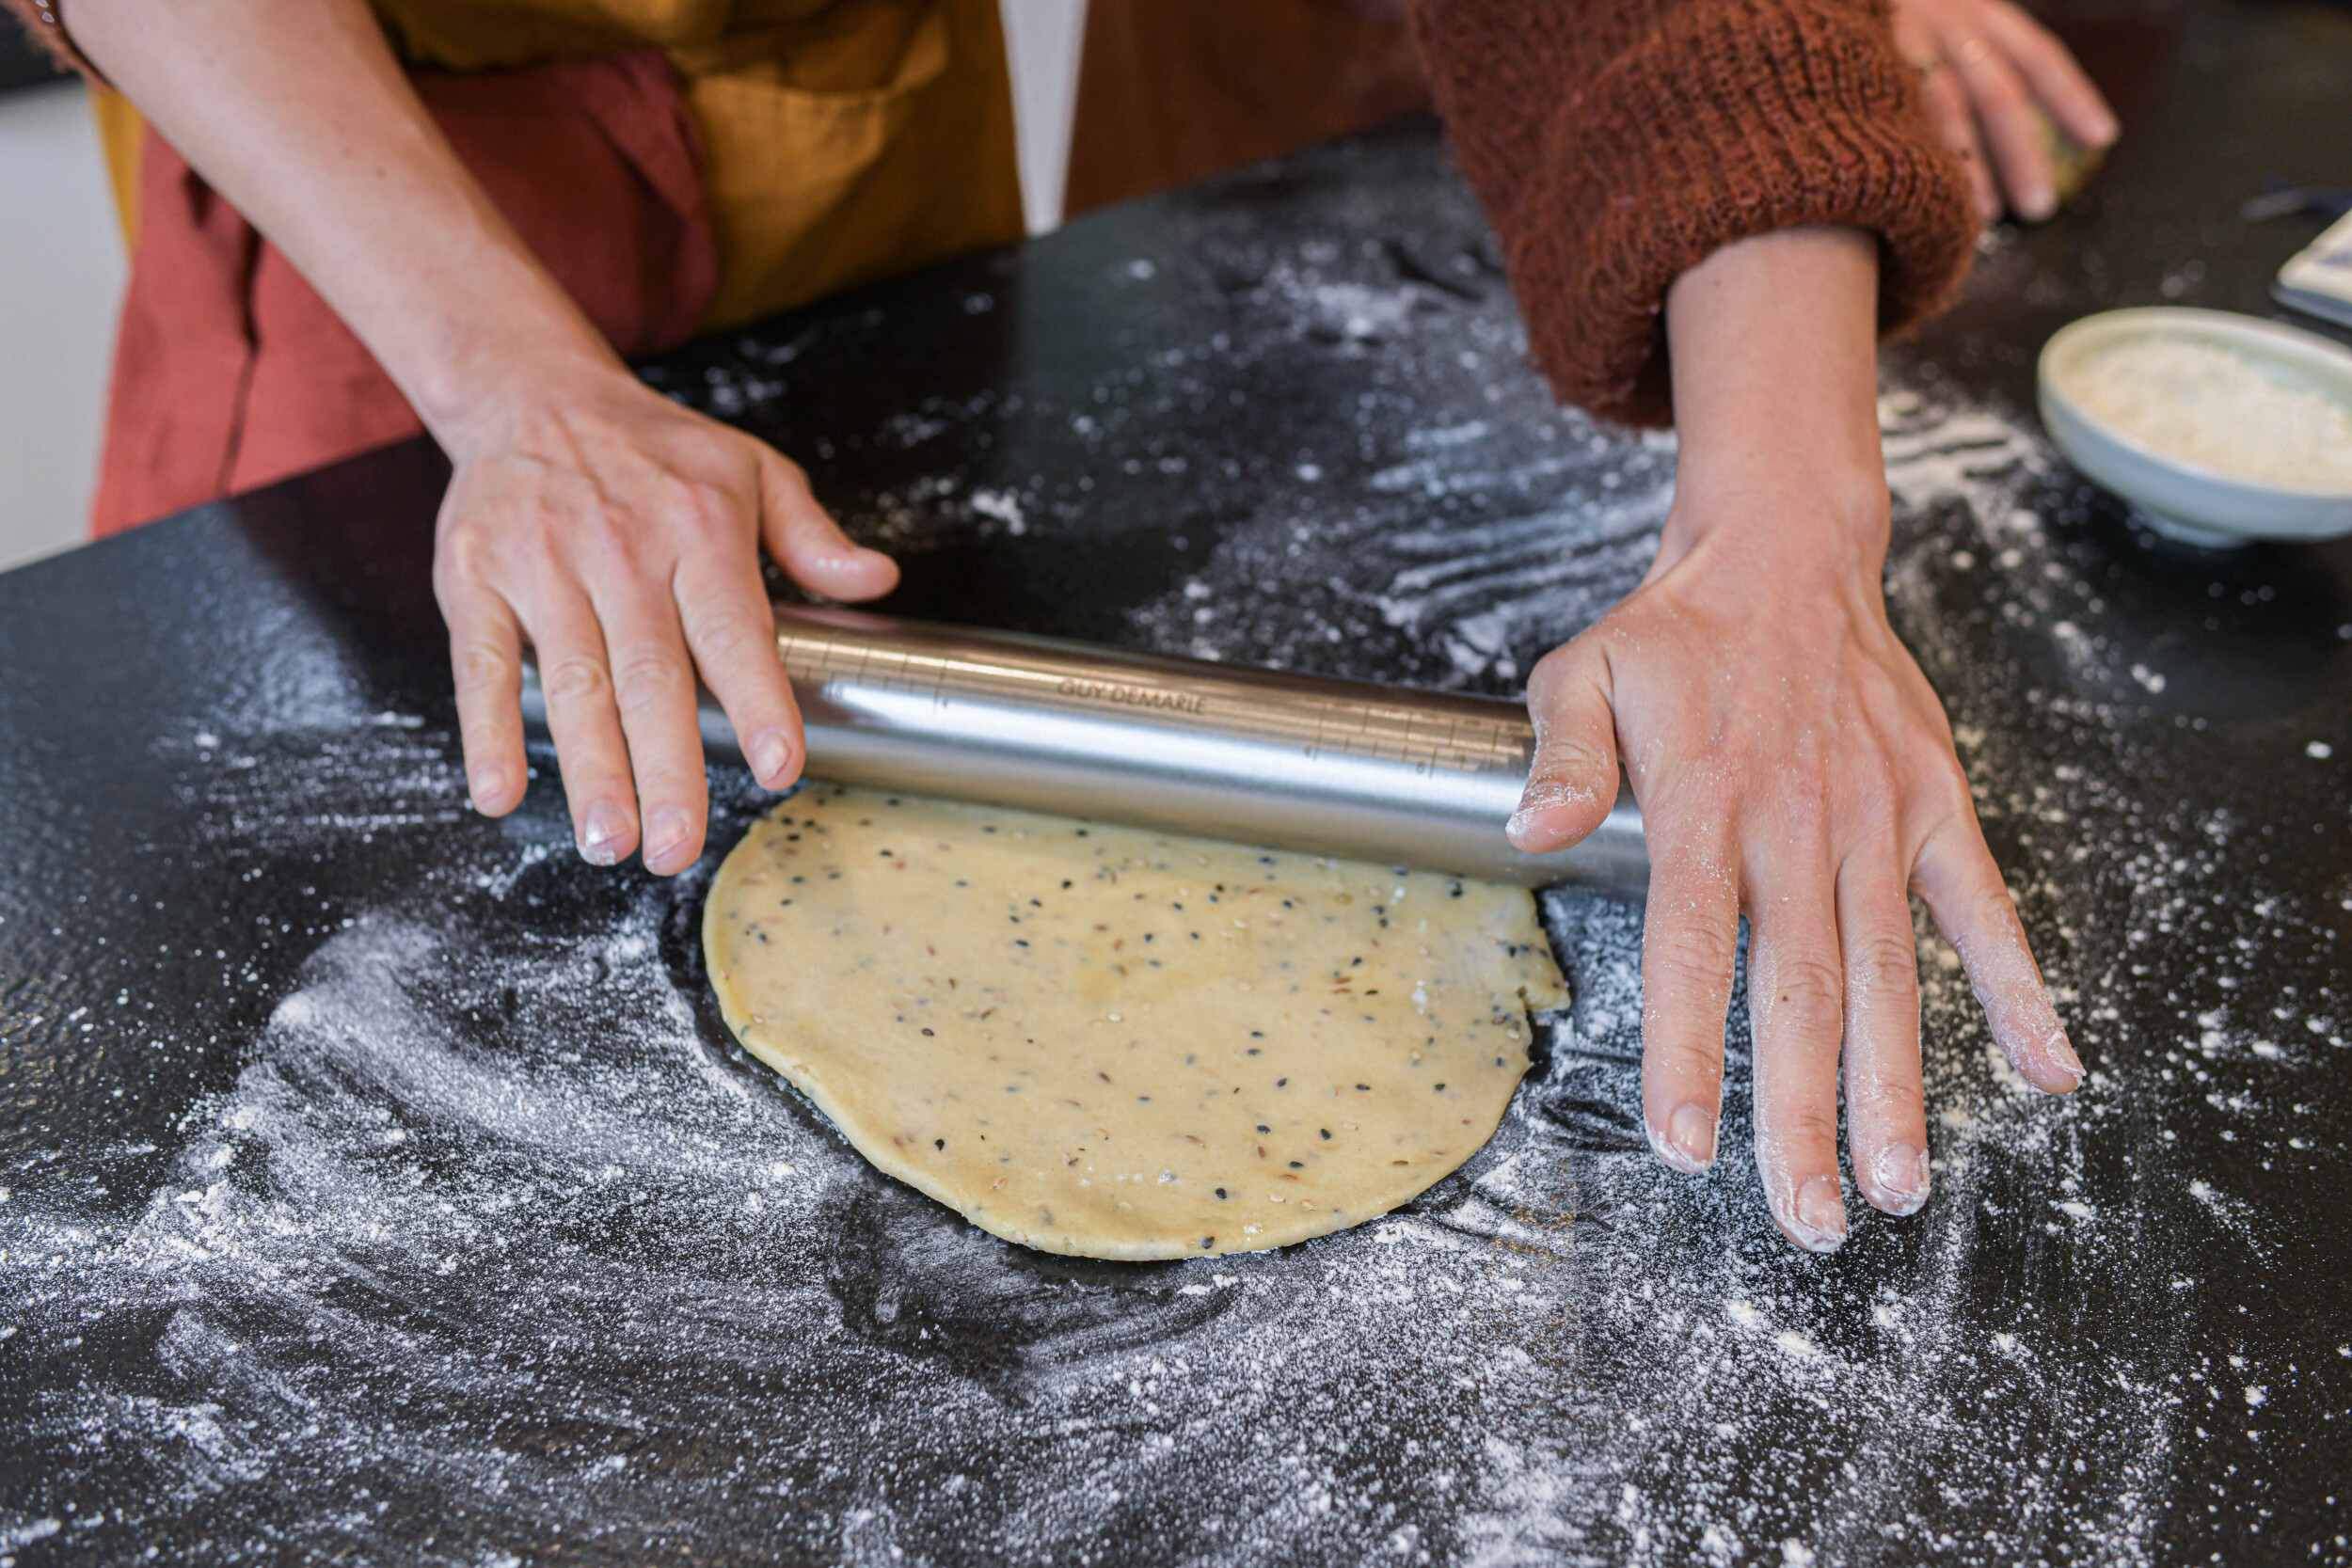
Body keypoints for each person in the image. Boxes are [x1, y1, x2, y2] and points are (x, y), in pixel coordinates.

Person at [11, 0, 2115, 1255]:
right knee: (361, 844)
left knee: (891, 536)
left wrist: (1782, 528)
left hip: (859, 129)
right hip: (371, 171)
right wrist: (516, 392)